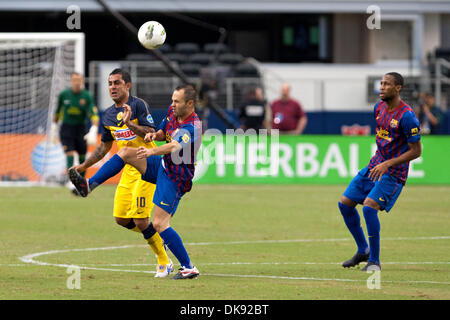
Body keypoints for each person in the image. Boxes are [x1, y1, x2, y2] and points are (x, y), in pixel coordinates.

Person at [69, 84, 202, 280]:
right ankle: (89, 185)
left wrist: (150, 150)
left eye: (177, 101)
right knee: (125, 153)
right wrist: (152, 135)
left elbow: (173, 145)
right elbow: (161, 132)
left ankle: (189, 267)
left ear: (190, 104)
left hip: (176, 177)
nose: (172, 104)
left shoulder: (193, 126)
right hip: (164, 166)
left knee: (159, 223)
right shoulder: (173, 112)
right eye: (172, 100)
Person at [338, 72, 422, 271]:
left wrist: (388, 164)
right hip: (375, 165)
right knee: (345, 204)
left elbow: (416, 151)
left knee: (368, 207)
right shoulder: (378, 108)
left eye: (386, 84)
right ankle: (362, 250)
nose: (382, 87)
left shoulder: (407, 116)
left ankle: (374, 261)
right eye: (381, 84)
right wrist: (380, 163)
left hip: (394, 173)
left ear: (398, 88)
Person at [52, 72, 99, 193]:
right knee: (70, 154)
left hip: (80, 129)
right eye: (74, 80)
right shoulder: (64, 95)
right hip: (66, 129)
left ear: (82, 81)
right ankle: (71, 181)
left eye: (79, 80)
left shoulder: (87, 96)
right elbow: (57, 112)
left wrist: (93, 129)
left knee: (83, 157)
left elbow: (93, 114)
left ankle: (81, 183)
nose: (77, 82)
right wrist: (53, 127)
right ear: (71, 81)